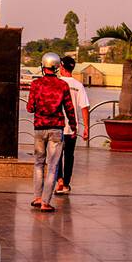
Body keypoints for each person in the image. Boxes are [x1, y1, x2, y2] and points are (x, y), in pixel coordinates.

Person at [26, 51, 76, 211]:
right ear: (56, 67)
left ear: (43, 66)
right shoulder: (63, 85)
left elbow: (30, 108)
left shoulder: (36, 84)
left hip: (39, 128)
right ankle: (46, 202)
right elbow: (69, 109)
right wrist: (74, 127)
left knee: (39, 163)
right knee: (53, 166)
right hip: (56, 129)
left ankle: (37, 197)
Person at [54, 54, 89, 195]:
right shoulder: (78, 86)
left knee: (57, 155)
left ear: (62, 67)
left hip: (57, 125)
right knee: (69, 156)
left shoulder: (57, 83)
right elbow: (84, 107)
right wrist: (86, 127)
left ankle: (59, 180)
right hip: (73, 128)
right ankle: (66, 184)